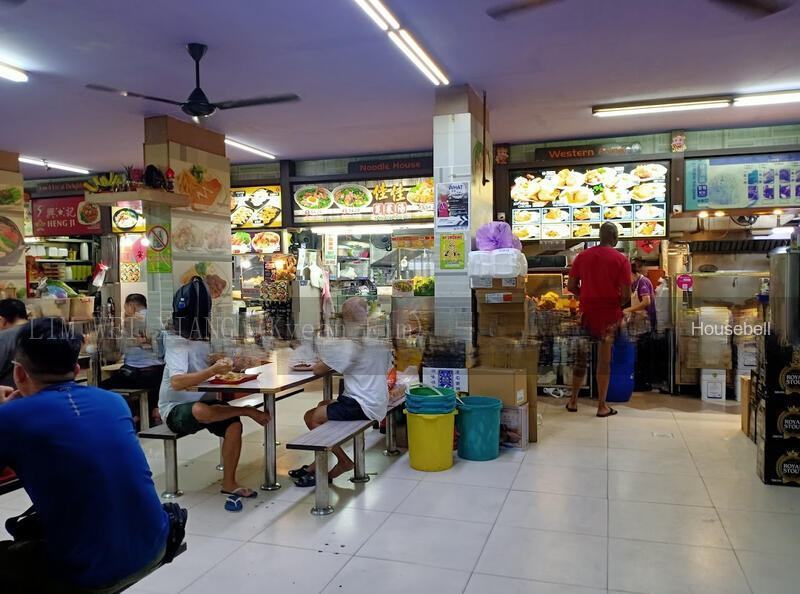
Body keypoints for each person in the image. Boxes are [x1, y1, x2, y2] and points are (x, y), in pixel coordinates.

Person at [0, 318, 170, 593]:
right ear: (76, 368)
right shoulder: (114, 402)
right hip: (156, 543)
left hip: (89, 570)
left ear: (19, 373)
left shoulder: (10, 417)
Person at [158, 277, 268, 499]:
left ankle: (229, 483)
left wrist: (227, 362)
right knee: (201, 410)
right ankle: (246, 410)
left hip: (206, 402)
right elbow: (177, 382)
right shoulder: (174, 339)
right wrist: (212, 370)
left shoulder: (201, 333)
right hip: (176, 408)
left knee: (233, 426)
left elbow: (202, 360)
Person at [291, 297, 392, 487]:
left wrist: (325, 357)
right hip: (377, 401)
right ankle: (316, 463)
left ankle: (342, 462)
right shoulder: (379, 340)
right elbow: (385, 367)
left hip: (361, 404)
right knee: (323, 404)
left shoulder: (350, 344)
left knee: (311, 417)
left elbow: (318, 370)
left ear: (347, 318)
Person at [566, 222, 631, 417]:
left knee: (581, 359)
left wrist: (585, 296)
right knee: (604, 361)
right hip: (609, 317)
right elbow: (626, 295)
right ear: (615, 238)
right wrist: (615, 302)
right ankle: (602, 406)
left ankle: (573, 401)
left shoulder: (582, 256)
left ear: (599, 236)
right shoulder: (621, 259)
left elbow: (571, 286)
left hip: (586, 314)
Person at [101, 293, 164, 426]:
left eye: (126, 308)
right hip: (159, 374)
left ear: (132, 306)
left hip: (139, 375)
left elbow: (118, 350)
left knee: (103, 387)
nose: (125, 312)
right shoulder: (157, 319)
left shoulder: (131, 321)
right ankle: (143, 414)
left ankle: (132, 414)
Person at [625, 258, 658, 391]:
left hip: (645, 322)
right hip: (638, 322)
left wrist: (628, 310)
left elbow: (646, 301)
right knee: (639, 353)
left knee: (642, 354)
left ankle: (643, 384)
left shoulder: (642, 282)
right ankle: (640, 382)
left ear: (632, 273)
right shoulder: (634, 283)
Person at [0, 299, 29, 388]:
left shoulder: (3, 337)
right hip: (50, 392)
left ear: (2, 320)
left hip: (10, 393)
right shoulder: (45, 331)